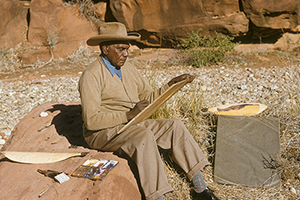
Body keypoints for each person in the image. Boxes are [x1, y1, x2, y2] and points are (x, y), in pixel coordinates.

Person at [79, 22, 218, 200]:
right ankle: (157, 197)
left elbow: (148, 99)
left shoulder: (127, 68)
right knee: (143, 136)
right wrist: (127, 115)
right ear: (105, 49)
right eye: (121, 49)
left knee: (174, 126)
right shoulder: (91, 75)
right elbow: (91, 121)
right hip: (101, 133)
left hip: (131, 123)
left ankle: (201, 189)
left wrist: (170, 85)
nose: (126, 54)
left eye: (127, 49)